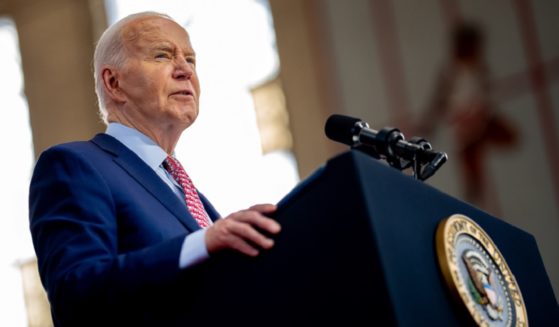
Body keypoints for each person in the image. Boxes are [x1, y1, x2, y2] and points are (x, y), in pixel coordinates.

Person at [29, 11, 281, 326]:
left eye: (191, 60)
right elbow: (76, 294)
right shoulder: (76, 165)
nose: (185, 70)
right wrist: (202, 243)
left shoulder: (189, 194)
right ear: (113, 82)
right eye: (162, 55)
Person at [417, 21, 518, 207]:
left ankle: (473, 202)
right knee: (473, 178)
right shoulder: (451, 72)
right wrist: (429, 124)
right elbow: (439, 100)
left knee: (511, 138)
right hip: (465, 127)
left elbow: (484, 94)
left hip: (479, 120)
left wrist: (481, 109)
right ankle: (472, 206)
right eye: (471, 47)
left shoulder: (479, 68)